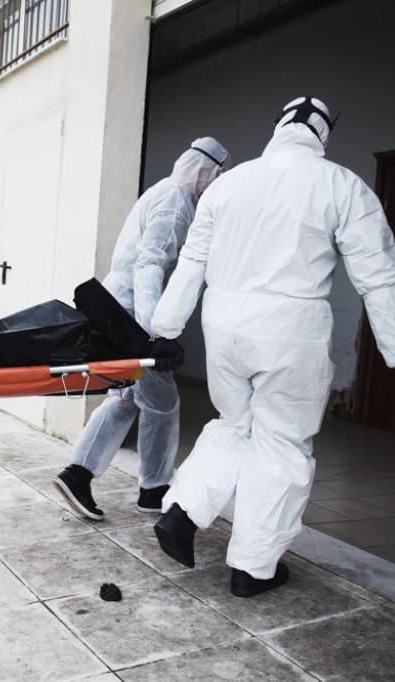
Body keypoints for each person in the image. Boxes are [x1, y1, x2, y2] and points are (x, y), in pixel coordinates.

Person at [150, 96, 395, 597]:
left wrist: (166, 326)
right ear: (324, 132)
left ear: (278, 126)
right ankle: (253, 569)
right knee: (282, 443)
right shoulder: (342, 184)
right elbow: (379, 278)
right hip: (290, 329)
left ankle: (182, 511)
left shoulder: (230, 184)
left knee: (235, 424)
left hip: (225, 326)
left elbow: (193, 260)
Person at [53, 137, 231, 521]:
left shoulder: (163, 192)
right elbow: (148, 266)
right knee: (160, 401)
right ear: (207, 172)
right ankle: (144, 486)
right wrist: (155, 335)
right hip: (132, 313)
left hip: (120, 309)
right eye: (218, 176)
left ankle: (98, 477)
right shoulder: (176, 202)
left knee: (127, 398)